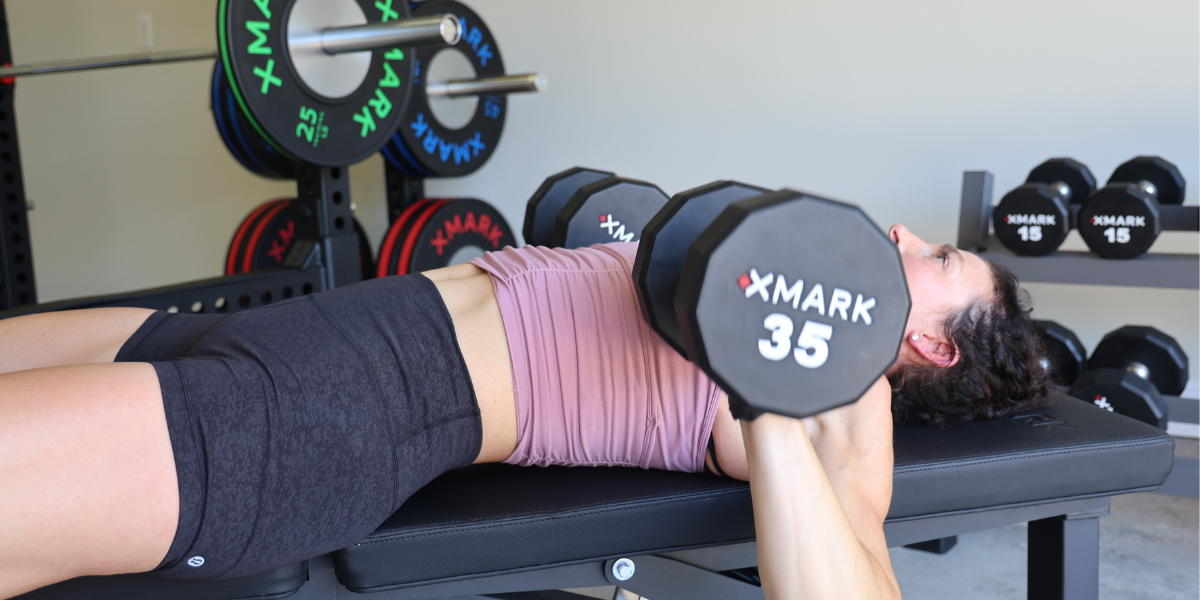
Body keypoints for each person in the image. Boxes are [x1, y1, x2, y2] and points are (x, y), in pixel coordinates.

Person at [0, 224, 1049, 600]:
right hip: (295, 338)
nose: (910, 235)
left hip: (325, 414)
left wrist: (767, 395)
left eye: (939, 260)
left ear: (933, 345)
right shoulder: (781, 266)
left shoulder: (841, 390)